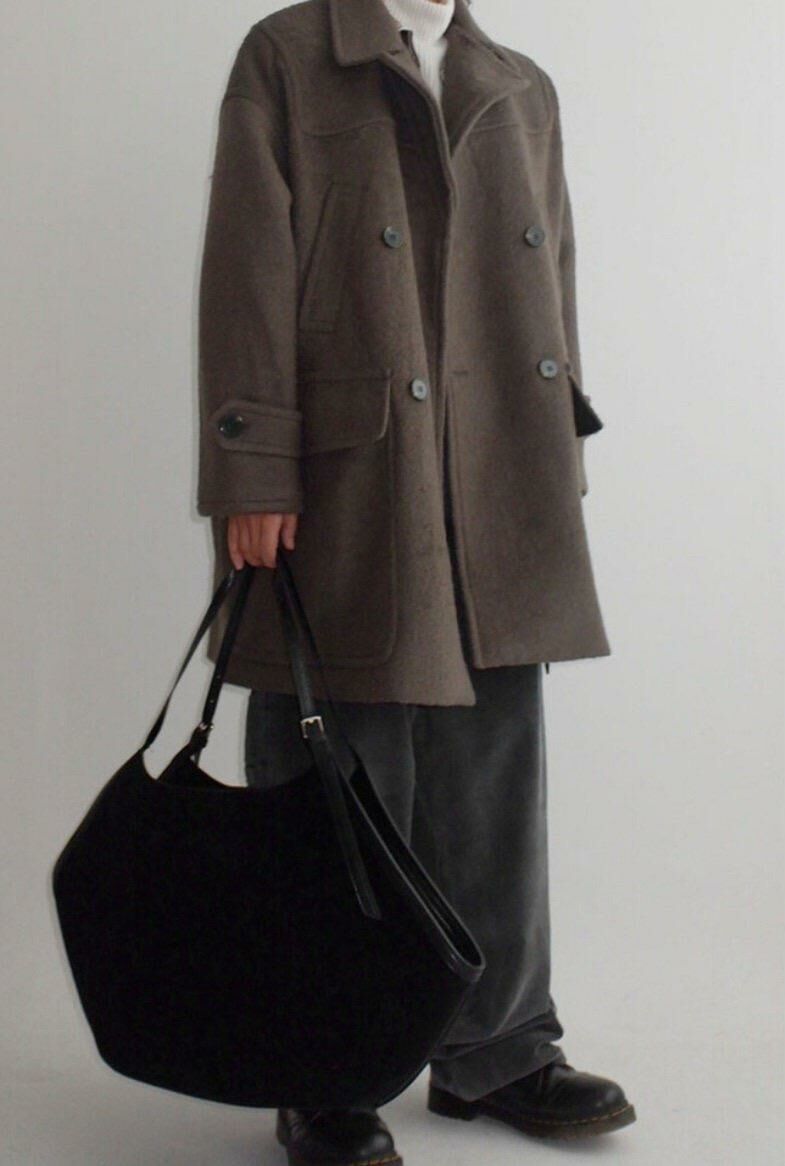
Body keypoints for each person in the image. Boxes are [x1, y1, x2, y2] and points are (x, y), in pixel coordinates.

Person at [196, 0, 636, 1161]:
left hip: (495, 475)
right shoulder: (288, 56)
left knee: (493, 769)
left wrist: (554, 458)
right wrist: (253, 463)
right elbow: (247, 264)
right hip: (351, 471)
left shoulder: (517, 84)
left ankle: (498, 1047)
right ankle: (324, 1067)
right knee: (337, 775)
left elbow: (553, 274)